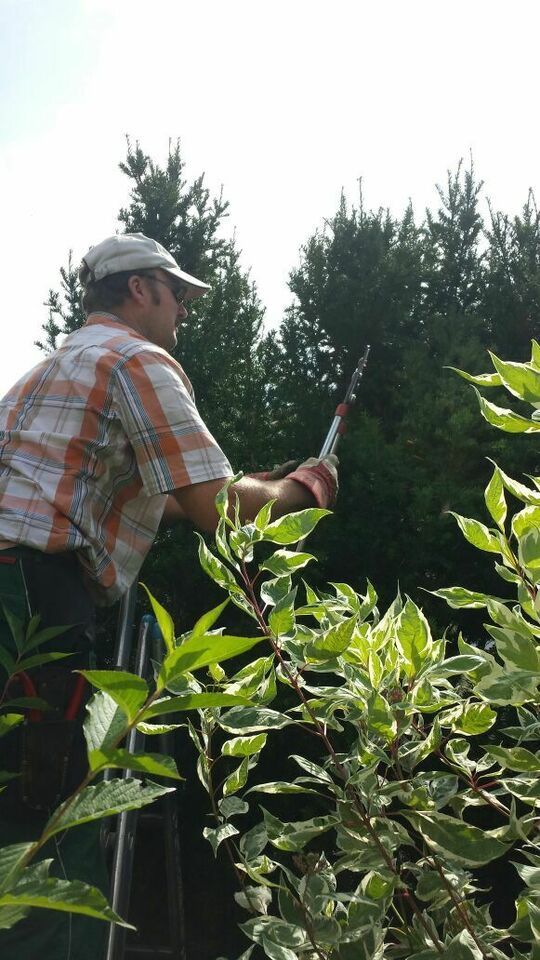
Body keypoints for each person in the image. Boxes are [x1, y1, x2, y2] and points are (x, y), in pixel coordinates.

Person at [0, 232, 338, 958]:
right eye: (175, 292)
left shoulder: (42, 373)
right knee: (49, 843)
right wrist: (302, 490)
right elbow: (219, 511)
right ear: (139, 289)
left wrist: (257, 488)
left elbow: (181, 496)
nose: (183, 308)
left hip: (14, 586)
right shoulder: (138, 360)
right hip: (32, 603)